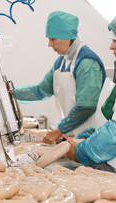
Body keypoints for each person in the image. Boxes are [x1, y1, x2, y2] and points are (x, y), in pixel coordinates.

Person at [15, 11, 106, 144]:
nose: (49, 44)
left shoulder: (87, 63)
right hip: (70, 137)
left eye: (52, 39)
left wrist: (59, 130)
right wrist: (10, 92)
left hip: (89, 139)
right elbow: (40, 91)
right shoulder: (61, 63)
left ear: (66, 36)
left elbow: (86, 106)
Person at [67, 16, 116, 172]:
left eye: (115, 40)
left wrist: (84, 149)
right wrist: (93, 133)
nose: (111, 46)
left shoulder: (89, 62)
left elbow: (114, 135)